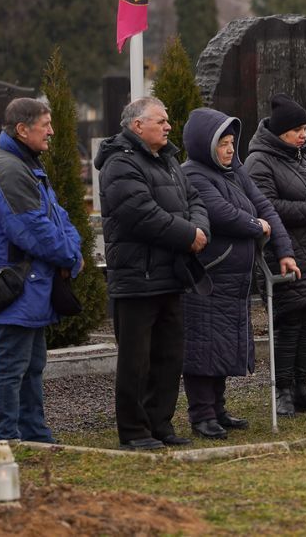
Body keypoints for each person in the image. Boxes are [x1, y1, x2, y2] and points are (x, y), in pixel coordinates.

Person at [96, 96, 210, 450]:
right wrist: (188, 235)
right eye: (160, 121)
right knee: (136, 361)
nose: (168, 126)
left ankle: (161, 424)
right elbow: (141, 214)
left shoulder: (169, 160)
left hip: (170, 274)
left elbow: (195, 199)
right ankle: (134, 431)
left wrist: (199, 229)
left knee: (168, 357)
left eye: (167, 120)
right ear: (137, 125)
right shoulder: (119, 163)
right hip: (137, 277)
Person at [180, 108, 298, 439]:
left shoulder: (235, 171)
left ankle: (218, 409)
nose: (230, 149)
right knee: (202, 346)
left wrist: (285, 251)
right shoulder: (193, 174)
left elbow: (265, 206)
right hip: (210, 275)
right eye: (223, 143)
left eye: (232, 142)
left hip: (235, 279)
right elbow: (222, 214)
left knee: (222, 344)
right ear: (205, 144)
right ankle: (202, 415)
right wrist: (255, 225)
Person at [0, 98, 82, 443]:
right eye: (45, 124)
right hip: (16, 285)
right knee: (12, 366)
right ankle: (7, 437)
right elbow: (32, 230)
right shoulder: (9, 169)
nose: (51, 131)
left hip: (29, 285)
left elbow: (59, 217)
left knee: (32, 365)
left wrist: (73, 250)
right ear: (22, 129)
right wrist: (70, 256)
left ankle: (34, 434)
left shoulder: (25, 163)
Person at [245, 95, 306, 416]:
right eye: (296, 130)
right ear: (280, 132)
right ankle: (282, 392)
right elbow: (266, 205)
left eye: (305, 128)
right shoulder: (259, 162)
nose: (303, 135)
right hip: (283, 252)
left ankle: (303, 388)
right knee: (289, 324)